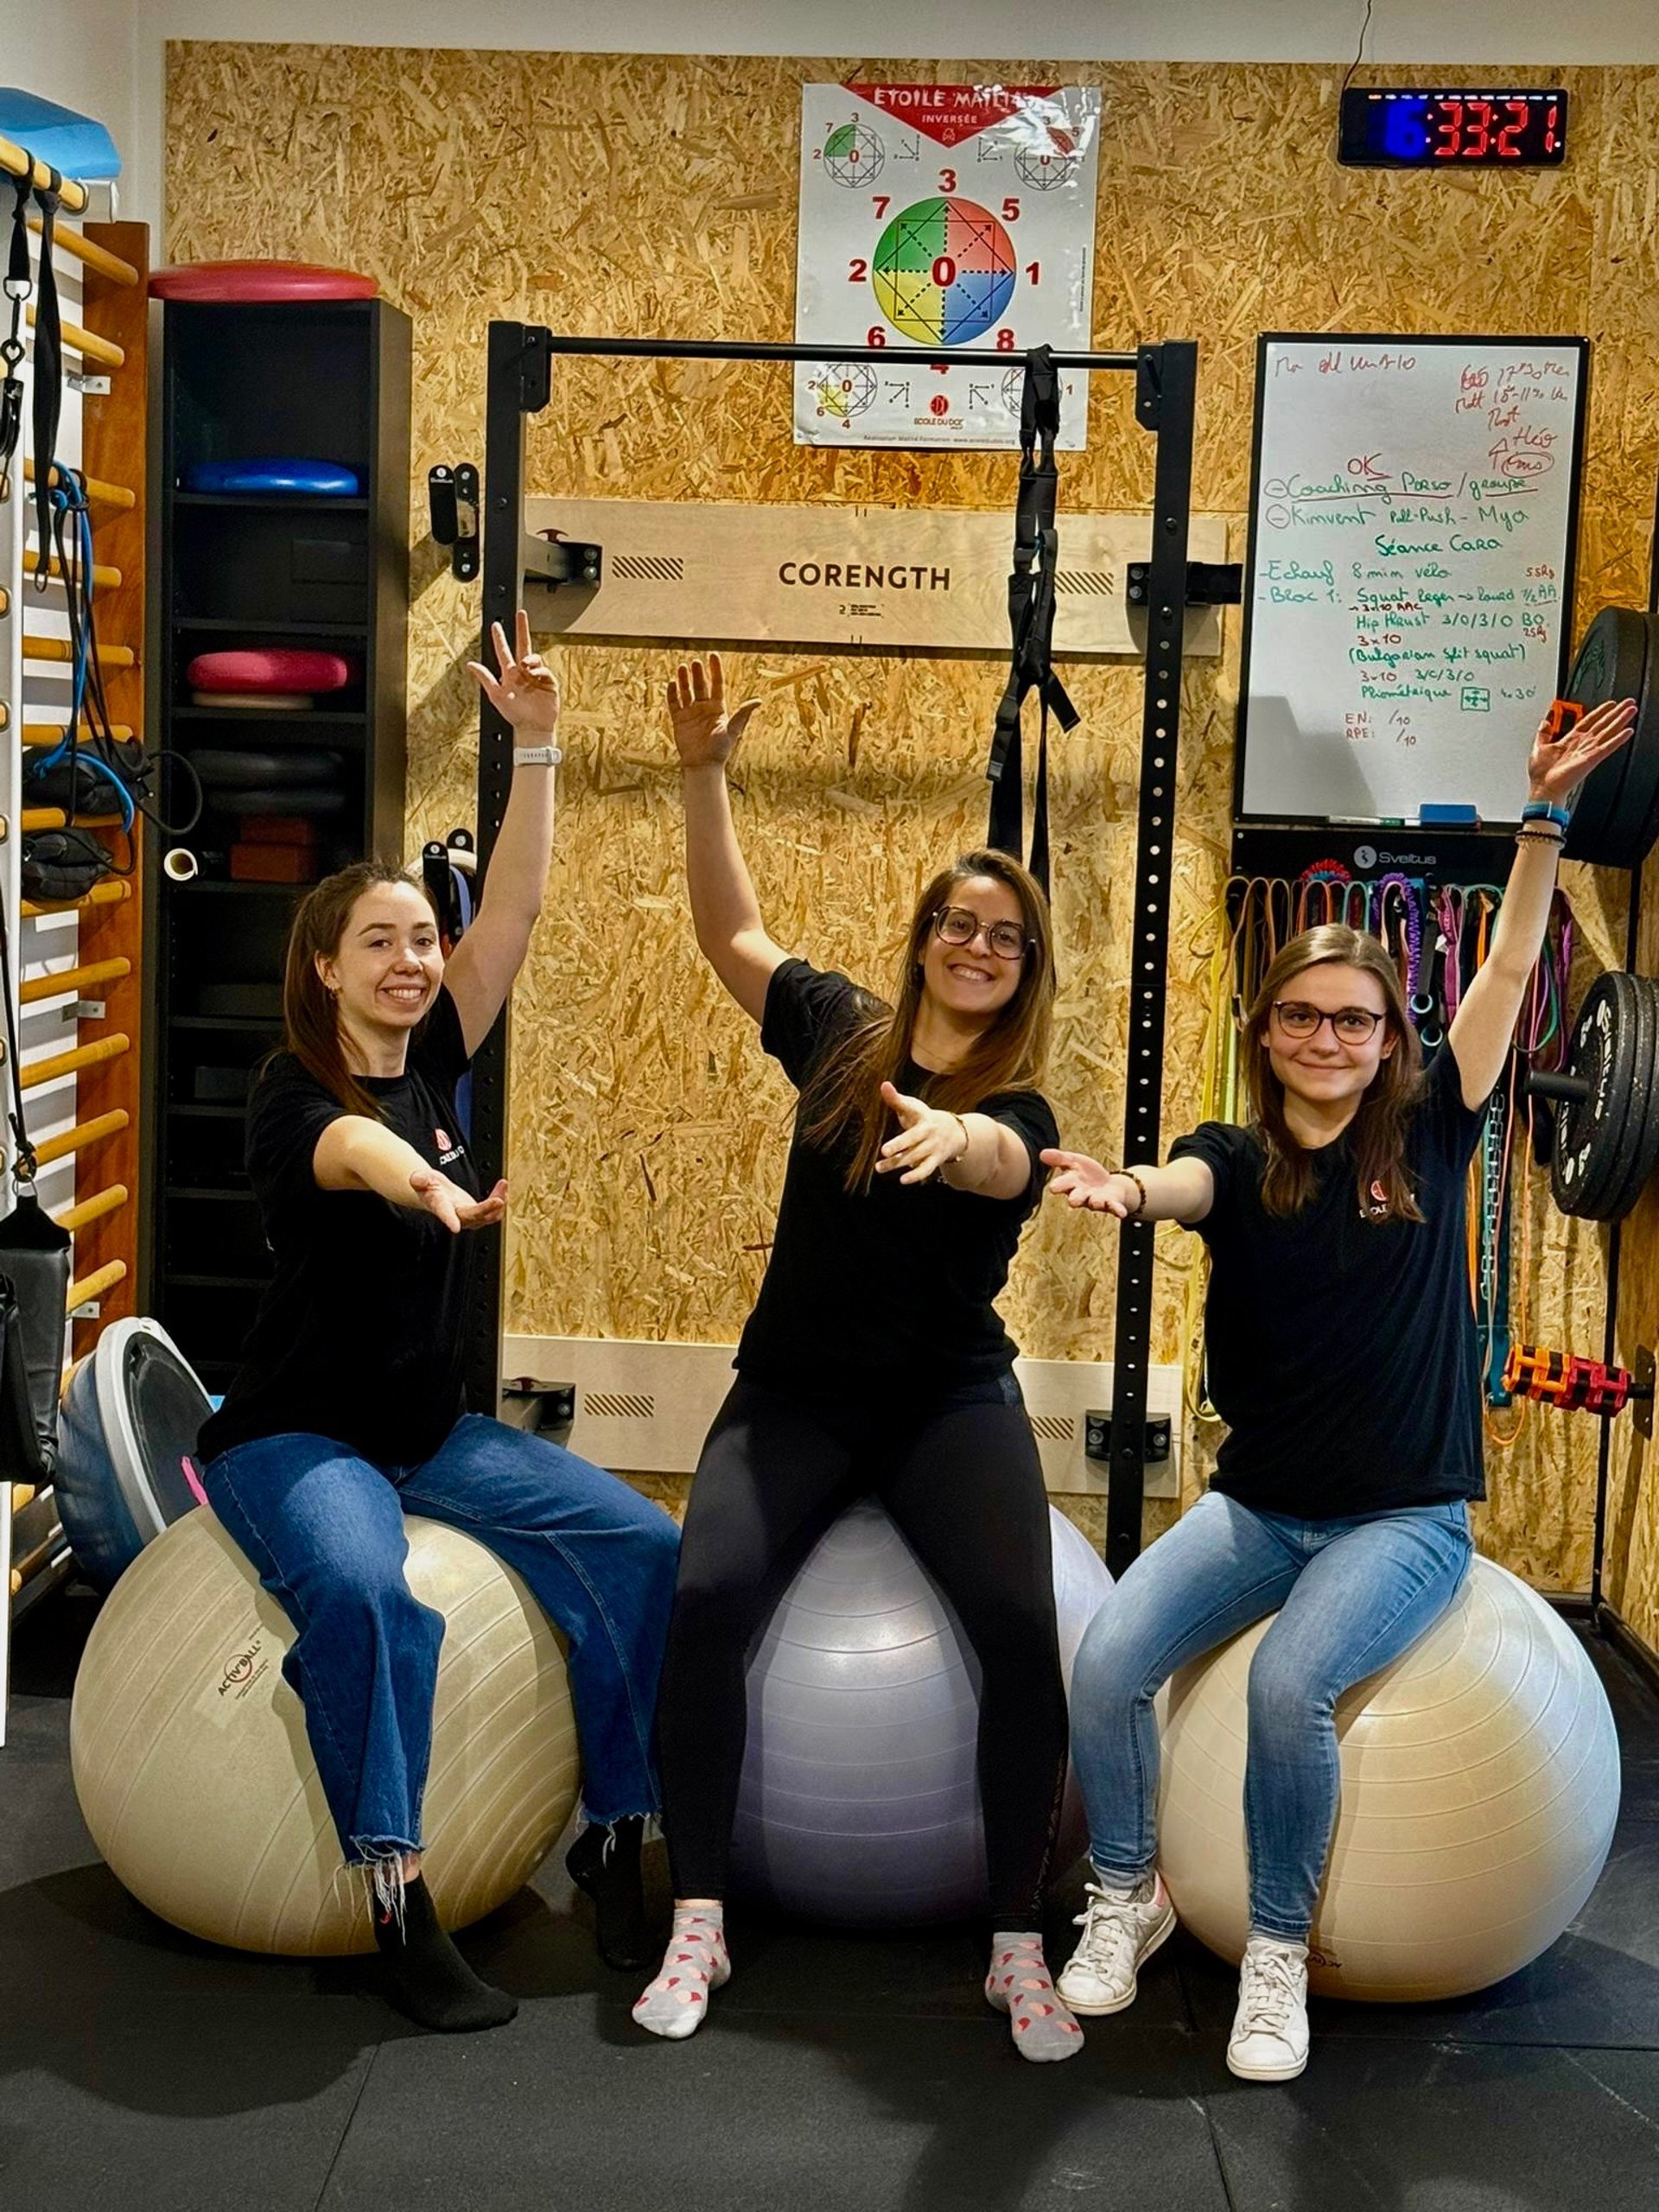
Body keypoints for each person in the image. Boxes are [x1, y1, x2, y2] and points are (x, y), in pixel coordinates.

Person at [1041, 692, 1636, 2082]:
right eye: (1302, 1016)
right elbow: (1180, 1185)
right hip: (1261, 1509)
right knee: (1112, 1658)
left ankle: (1275, 1955)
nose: (1326, 1037)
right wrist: (1129, 1190)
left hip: (1404, 1519)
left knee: (1288, 1686)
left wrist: (1541, 818)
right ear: (1267, 1032)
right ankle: (1128, 1892)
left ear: (1387, 1039)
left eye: (1354, 1019)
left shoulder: (1432, 1132)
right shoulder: (1236, 1159)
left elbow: (1510, 965)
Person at [195, 613, 681, 2033]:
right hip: (295, 1441)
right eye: (380, 944)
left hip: (426, 1434)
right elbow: (354, 1155)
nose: (411, 961)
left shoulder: (441, 1051)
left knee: (643, 1546)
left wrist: (541, 745)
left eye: (421, 939)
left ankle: (616, 1832)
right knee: (366, 1595)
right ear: (325, 967)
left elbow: (512, 911)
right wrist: (426, 1181)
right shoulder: (295, 1095)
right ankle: (397, 1897)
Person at [631, 653, 1079, 2060]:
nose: (976, 947)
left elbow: (1005, 1158)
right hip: (798, 1394)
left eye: (1004, 938)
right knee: (706, 1598)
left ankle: (1017, 1944)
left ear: (1026, 968)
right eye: (958, 923)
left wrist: (957, 1139)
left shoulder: (1018, 1104)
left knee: (1020, 1630)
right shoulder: (840, 1034)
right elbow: (732, 933)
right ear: (925, 937)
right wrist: (702, 776)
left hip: (947, 1404)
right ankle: (697, 1916)